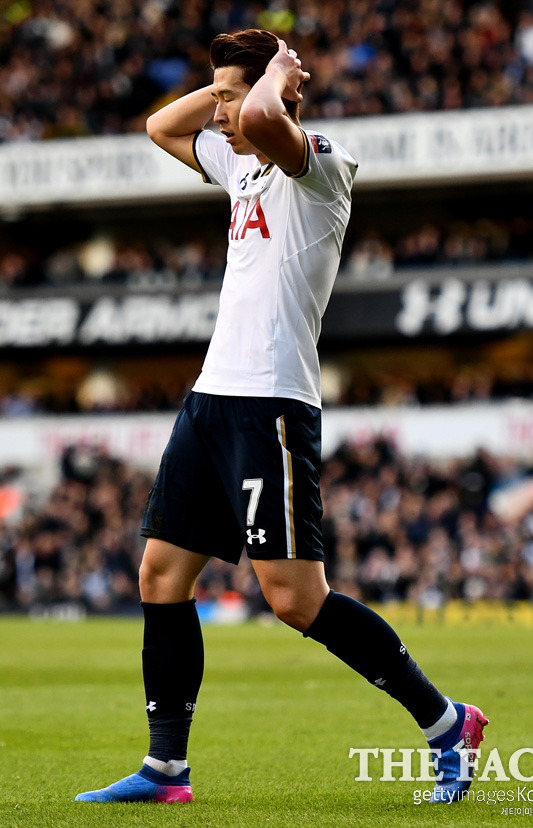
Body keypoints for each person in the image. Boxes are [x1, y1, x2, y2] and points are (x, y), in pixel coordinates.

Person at [75, 29, 487, 807]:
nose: (221, 116)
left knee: (295, 600)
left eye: (231, 99)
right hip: (211, 399)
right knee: (161, 576)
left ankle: (445, 721)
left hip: (271, 404)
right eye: (220, 99)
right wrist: (225, 87)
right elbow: (161, 128)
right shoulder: (239, 160)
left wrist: (271, 80)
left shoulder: (319, 162)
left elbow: (265, 119)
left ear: (283, 92)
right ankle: (166, 770)